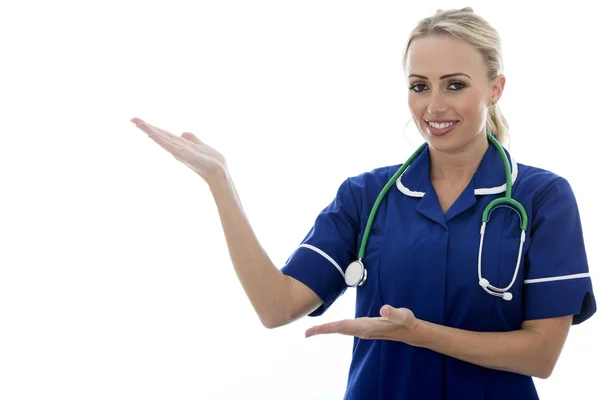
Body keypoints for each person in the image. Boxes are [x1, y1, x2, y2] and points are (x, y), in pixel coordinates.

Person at [130, 7, 596, 400]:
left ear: (495, 89)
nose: (434, 105)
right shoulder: (367, 196)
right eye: (419, 86)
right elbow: (276, 306)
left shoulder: (542, 198)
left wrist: (418, 334)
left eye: (454, 85)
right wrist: (221, 182)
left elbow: (541, 356)